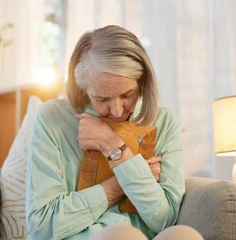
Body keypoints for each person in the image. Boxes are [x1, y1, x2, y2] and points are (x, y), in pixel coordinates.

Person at [25, 25, 203, 240]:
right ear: (84, 89)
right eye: (101, 99)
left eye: (127, 94)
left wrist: (113, 145)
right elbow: (42, 227)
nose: (117, 110)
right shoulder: (52, 118)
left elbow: (164, 219)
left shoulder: (166, 123)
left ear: (143, 82)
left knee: (184, 236)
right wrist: (125, 180)